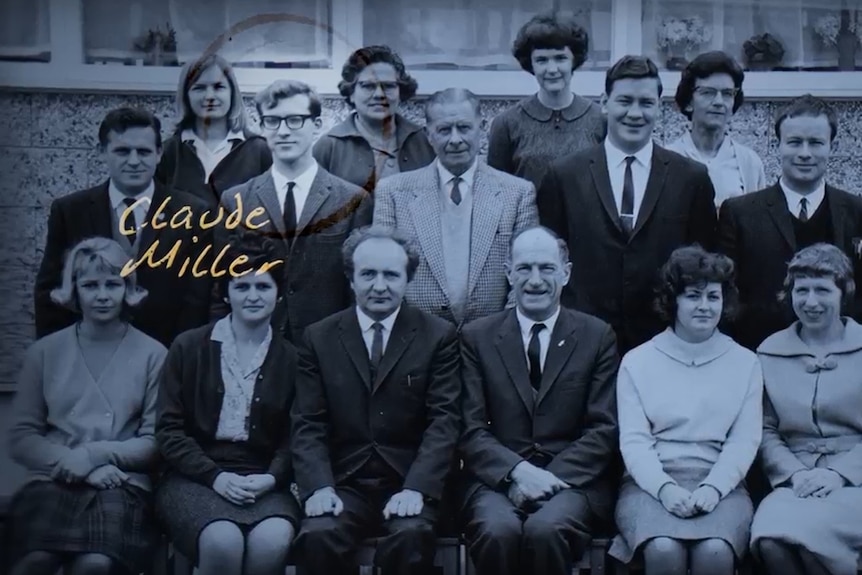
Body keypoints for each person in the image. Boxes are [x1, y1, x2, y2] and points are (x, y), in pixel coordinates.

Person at [291, 225, 461, 575]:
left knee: (411, 536)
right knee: (319, 535)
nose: (379, 286)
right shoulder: (319, 338)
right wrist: (320, 487)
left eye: (391, 275)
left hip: (408, 480)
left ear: (407, 279)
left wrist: (416, 488)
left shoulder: (438, 337)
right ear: (350, 279)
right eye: (368, 274)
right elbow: (308, 422)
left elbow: (444, 422)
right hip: (345, 482)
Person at [459, 226, 619, 575]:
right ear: (508, 273)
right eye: (524, 268)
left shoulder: (597, 336)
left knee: (546, 531)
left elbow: (603, 429)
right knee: (496, 531)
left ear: (566, 273)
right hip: (497, 481)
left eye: (546, 268)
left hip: (571, 482)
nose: (534, 280)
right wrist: (517, 474)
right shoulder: (477, 338)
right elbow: (470, 429)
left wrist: (546, 480)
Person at [537, 55, 717, 354]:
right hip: (581, 343)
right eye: (625, 101)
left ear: (659, 107)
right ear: (605, 102)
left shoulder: (691, 178)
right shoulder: (564, 175)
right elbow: (550, 263)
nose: (635, 113)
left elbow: (703, 265)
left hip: (665, 341)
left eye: (646, 103)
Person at [7, 237, 166, 575]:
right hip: (52, 478)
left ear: (128, 288)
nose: (103, 295)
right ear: (74, 289)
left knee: (95, 565)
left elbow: (156, 442)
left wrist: (95, 456)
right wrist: (73, 460)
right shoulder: (45, 352)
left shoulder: (154, 354)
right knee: (35, 561)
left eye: (113, 284)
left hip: (122, 483)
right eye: (90, 285)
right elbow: (21, 436)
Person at [609, 245, 763, 575]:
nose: (704, 306)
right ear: (673, 300)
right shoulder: (638, 362)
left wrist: (714, 487)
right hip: (649, 485)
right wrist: (664, 488)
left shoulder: (746, 362)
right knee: (663, 548)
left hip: (723, 485)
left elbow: (744, 440)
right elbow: (635, 442)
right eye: (693, 296)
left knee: (715, 551)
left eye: (713, 297)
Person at [155, 232, 299, 575]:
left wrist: (272, 477)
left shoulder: (293, 358)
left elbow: (299, 433)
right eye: (241, 286)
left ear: (278, 295)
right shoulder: (188, 348)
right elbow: (169, 429)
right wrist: (215, 476)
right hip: (194, 477)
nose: (252, 296)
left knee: (273, 539)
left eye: (263, 287)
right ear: (225, 291)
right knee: (223, 541)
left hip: (263, 481)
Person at [34, 107, 213, 348]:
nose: (133, 161)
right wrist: (59, 356)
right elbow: (50, 293)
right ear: (101, 152)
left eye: (143, 151)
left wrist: (181, 358)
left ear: (159, 153)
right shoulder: (69, 211)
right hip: (88, 355)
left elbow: (198, 300)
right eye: (122, 151)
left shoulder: (193, 213)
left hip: (166, 355)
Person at [215, 79, 373, 344]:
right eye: (273, 121)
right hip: (256, 344)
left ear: (317, 126)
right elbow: (219, 287)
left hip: (327, 346)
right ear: (261, 126)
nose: (284, 131)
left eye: (295, 120)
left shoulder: (352, 200)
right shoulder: (236, 200)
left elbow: (356, 289)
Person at [374, 88, 538, 327]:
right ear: (428, 135)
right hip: (417, 336)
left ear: (481, 129)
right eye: (444, 130)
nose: (455, 140)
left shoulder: (517, 193)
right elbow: (384, 267)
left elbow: (525, 271)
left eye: (463, 128)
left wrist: (503, 333)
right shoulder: (394, 192)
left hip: (493, 338)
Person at [750, 243, 862, 575]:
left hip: (855, 480)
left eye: (822, 290)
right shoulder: (769, 352)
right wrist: (794, 474)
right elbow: (765, 428)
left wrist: (839, 474)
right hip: (795, 481)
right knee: (770, 538)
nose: (811, 302)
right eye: (802, 290)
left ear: (844, 293)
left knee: (810, 546)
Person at [718, 94, 862, 351]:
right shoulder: (740, 213)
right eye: (794, 142)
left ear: (832, 147)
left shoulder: (856, 211)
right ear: (777, 147)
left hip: (843, 359)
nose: (804, 153)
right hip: (760, 353)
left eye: (816, 143)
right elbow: (728, 295)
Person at [487, 11, 605, 190]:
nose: (552, 69)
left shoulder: (601, 119)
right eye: (542, 60)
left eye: (560, 58)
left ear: (574, 60)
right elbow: (494, 191)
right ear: (530, 64)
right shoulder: (506, 124)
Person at [313, 45, 436, 193]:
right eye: (368, 86)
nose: (379, 94)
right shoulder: (329, 147)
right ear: (351, 92)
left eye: (388, 86)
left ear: (400, 91)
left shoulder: (424, 141)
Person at [156, 53, 272, 206]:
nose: (209, 96)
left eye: (218, 87)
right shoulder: (169, 152)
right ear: (186, 96)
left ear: (232, 93)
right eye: (199, 88)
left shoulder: (260, 151)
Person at [666, 51, 767, 208]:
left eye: (727, 94)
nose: (719, 102)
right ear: (688, 101)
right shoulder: (668, 159)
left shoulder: (749, 163)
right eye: (708, 93)